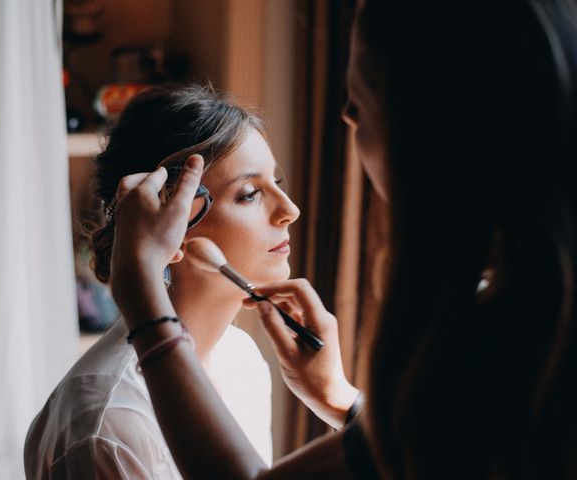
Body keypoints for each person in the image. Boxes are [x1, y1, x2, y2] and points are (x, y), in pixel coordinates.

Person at [106, 0, 577, 478]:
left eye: (359, 102)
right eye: (249, 193)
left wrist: (145, 303)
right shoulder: (105, 424)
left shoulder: (512, 339)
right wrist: (344, 402)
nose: (348, 116)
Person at [23, 85, 312, 478]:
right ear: (168, 223)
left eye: (278, 183)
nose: (289, 211)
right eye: (249, 194)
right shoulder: (107, 426)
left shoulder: (243, 361)